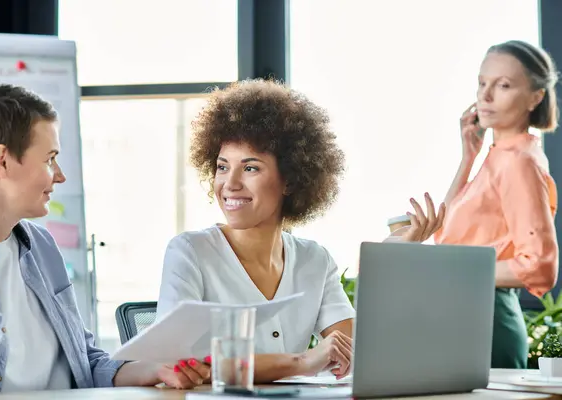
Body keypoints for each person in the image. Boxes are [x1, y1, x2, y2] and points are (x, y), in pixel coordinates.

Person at [157, 79, 444, 384]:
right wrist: (301, 362)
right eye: (223, 166)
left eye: (250, 168)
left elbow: (354, 352)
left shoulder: (314, 259)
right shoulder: (189, 252)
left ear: (290, 180)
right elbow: (180, 364)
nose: (230, 183)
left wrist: (389, 260)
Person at [0, 83, 209, 393]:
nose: (59, 175)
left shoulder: (39, 245)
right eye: (49, 159)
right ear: (2, 161)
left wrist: (155, 369)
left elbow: (85, 363)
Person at [434, 40, 559, 368]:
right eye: (481, 83)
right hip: (465, 319)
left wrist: (458, 269)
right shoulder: (497, 158)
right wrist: (467, 159)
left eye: (503, 85)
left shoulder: (518, 161)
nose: (485, 96)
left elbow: (540, 266)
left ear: (536, 97)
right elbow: (442, 235)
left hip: (487, 323)